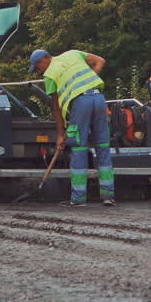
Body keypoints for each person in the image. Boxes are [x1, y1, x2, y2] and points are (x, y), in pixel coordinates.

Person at [31, 48, 116, 207]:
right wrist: (89, 82)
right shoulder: (73, 53)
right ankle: (108, 196)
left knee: (78, 147)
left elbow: (56, 108)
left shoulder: (49, 75)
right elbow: (100, 61)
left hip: (81, 103)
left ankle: (78, 199)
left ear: (44, 60)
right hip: (99, 98)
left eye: (37, 67)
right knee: (103, 146)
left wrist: (61, 134)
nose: (38, 71)